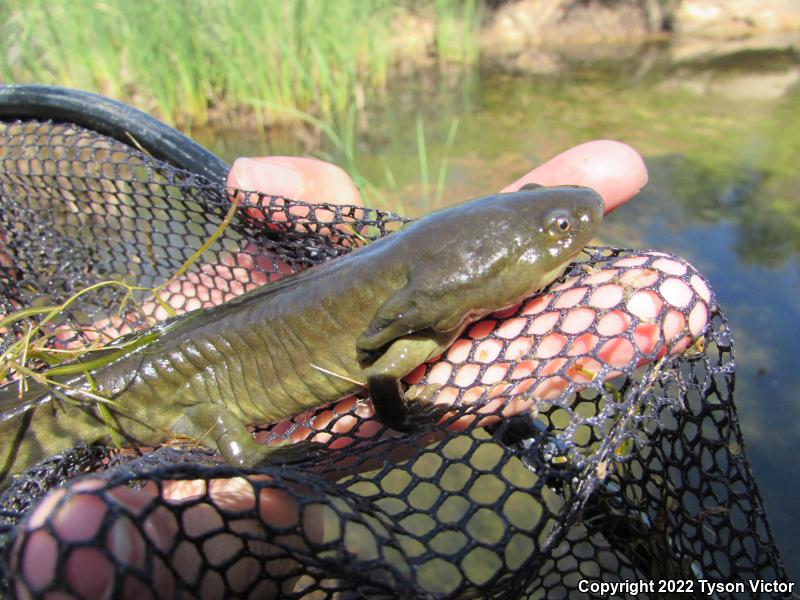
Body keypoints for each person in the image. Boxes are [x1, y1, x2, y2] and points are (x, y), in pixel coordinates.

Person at [10, 140, 701, 597]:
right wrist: (392, 420)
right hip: (171, 396)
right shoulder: (409, 337)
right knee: (240, 452)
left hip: (143, 376)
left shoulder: (425, 292)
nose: (573, 229)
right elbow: (386, 384)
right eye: (553, 232)